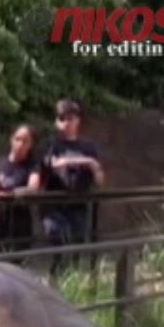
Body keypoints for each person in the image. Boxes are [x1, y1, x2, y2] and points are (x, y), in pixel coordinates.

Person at [39, 99, 105, 246]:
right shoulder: (50, 145)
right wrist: (87, 162)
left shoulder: (88, 146)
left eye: (70, 119)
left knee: (76, 248)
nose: (66, 123)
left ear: (78, 121)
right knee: (57, 242)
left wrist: (93, 166)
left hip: (78, 205)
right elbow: (54, 164)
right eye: (62, 119)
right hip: (54, 205)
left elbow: (99, 179)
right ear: (56, 122)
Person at [0, 124, 41, 250]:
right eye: (18, 139)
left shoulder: (33, 165)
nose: (20, 144)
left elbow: (32, 188)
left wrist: (10, 194)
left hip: (20, 221)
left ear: (31, 144)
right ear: (11, 139)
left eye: (25, 141)